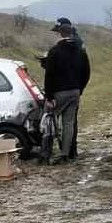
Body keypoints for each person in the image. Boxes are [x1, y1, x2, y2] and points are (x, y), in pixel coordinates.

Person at [41, 17, 90, 164]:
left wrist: (49, 97)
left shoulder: (54, 52)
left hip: (59, 93)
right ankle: (65, 154)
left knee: (48, 118)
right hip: (74, 92)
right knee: (68, 123)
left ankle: (45, 153)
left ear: (60, 34)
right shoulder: (80, 50)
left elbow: (49, 75)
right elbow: (86, 72)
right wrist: (79, 89)